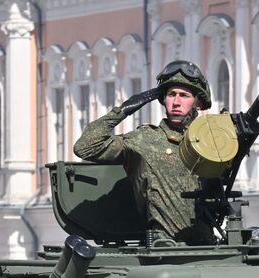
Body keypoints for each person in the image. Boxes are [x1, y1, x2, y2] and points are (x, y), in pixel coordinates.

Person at [74, 60, 217, 245]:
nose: (176, 101)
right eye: (171, 94)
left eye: (184, 95)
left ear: (197, 102)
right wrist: (123, 110)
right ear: (163, 98)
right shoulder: (145, 139)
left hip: (206, 247)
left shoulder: (211, 142)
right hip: (164, 247)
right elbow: (85, 147)